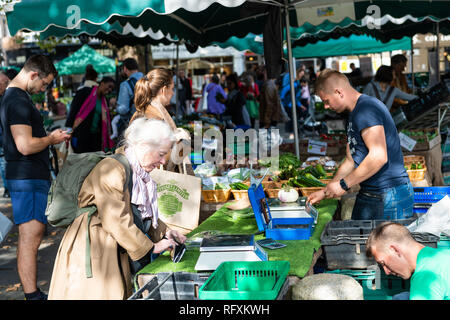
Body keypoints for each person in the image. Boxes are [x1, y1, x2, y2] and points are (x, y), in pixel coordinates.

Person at [48, 118, 186, 299]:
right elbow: (116, 219)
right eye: (160, 154)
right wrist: (151, 247)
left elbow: (139, 211)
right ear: (143, 145)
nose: (161, 162)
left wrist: (165, 232)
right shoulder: (112, 169)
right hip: (94, 248)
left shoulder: (136, 172)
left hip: (109, 243)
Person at [0, 55, 71, 300]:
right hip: (27, 177)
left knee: (31, 238)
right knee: (30, 239)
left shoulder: (16, 97)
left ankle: (33, 294)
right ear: (33, 74)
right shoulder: (18, 99)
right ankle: (33, 295)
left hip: (29, 177)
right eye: (44, 83)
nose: (45, 89)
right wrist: (51, 139)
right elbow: (25, 145)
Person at [306, 69, 414, 221]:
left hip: (389, 194)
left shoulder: (366, 110)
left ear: (338, 92)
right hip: (374, 193)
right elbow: (351, 160)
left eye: (326, 101)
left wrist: (343, 185)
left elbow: (378, 157)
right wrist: (326, 191)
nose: (326, 107)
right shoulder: (355, 113)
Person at [130, 68, 194, 175]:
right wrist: (182, 142)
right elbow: (160, 157)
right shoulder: (155, 117)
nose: (173, 93)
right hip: (153, 181)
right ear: (164, 90)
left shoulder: (149, 110)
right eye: (172, 88)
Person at [366, 222, 450, 300]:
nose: (386, 272)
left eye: (383, 263)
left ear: (394, 250)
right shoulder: (444, 255)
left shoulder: (425, 277)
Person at [65, 77, 115, 153]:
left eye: (112, 89)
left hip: (95, 138)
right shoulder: (84, 92)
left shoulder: (104, 101)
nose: (110, 90)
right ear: (102, 83)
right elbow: (73, 110)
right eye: (109, 86)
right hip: (81, 135)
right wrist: (69, 129)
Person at [115, 58, 144, 138]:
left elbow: (124, 109)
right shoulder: (149, 80)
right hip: (151, 123)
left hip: (134, 126)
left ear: (125, 68)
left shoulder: (125, 85)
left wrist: (116, 106)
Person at [0, 72, 10, 198]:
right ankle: (8, 188)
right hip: (3, 136)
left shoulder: (6, 96)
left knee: (3, 163)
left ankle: (8, 189)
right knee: (3, 163)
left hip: (5, 136)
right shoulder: (6, 97)